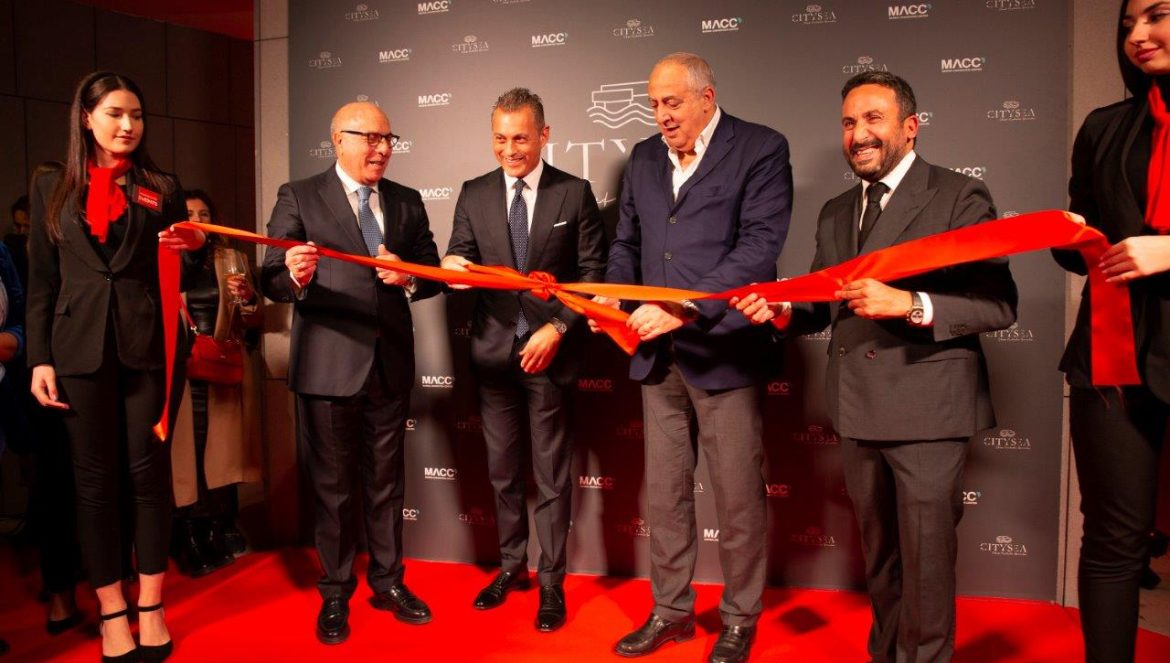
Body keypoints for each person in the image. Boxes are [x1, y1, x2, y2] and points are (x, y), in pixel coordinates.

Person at [734, 71, 1017, 663]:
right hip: (858, 408)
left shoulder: (959, 195)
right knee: (883, 560)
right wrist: (782, 310)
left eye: (872, 119)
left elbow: (997, 304)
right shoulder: (837, 211)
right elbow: (822, 304)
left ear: (910, 128)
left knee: (926, 563)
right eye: (848, 122)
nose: (858, 134)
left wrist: (910, 303)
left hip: (929, 411)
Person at [597, 52, 792, 663]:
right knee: (665, 495)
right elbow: (627, 241)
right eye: (654, 104)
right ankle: (671, 611)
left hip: (725, 350)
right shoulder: (644, 157)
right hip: (657, 357)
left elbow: (758, 249)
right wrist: (614, 295)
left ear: (707, 97)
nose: (661, 115)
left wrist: (682, 308)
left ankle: (739, 618)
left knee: (737, 498)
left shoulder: (761, 148)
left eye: (673, 102)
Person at [25, 71, 206, 662]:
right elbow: (42, 283)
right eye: (114, 114)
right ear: (86, 118)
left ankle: (151, 606)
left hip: (147, 348)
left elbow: (183, 269)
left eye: (137, 115)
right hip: (77, 352)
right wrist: (39, 358)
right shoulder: (51, 186)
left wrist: (195, 249)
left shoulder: (160, 186)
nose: (128, 126)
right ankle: (111, 612)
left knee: (149, 479)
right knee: (94, 484)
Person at [260, 101, 442, 645]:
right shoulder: (299, 195)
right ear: (338, 138)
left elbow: (431, 274)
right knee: (334, 489)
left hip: (389, 363)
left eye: (388, 139)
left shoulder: (406, 201)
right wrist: (294, 273)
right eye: (369, 137)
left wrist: (408, 278)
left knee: (386, 484)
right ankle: (336, 591)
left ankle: (389, 582)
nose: (381, 149)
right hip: (328, 367)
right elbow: (270, 277)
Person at [442, 88, 606, 631]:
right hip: (493, 355)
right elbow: (461, 256)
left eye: (520, 138)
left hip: (550, 355)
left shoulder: (573, 193)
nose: (509, 150)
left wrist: (557, 329)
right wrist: (451, 266)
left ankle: (552, 581)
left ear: (543, 135)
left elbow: (592, 275)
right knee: (502, 472)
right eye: (500, 138)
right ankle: (512, 565)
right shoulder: (474, 193)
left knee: (552, 477)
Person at [1053, 2, 1170, 660]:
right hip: (1113, 353)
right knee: (1112, 540)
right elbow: (1084, 244)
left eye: (1157, 16)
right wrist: (1073, 239)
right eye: (1127, 25)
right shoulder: (1105, 126)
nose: (1138, 36)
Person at [169, 190, 263, 577]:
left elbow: (254, 318)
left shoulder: (231, 258)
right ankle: (187, 533)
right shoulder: (164, 256)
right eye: (189, 213)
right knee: (186, 455)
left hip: (222, 365)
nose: (197, 219)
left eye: (204, 213)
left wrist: (249, 298)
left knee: (221, 453)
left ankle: (216, 525)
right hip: (179, 369)